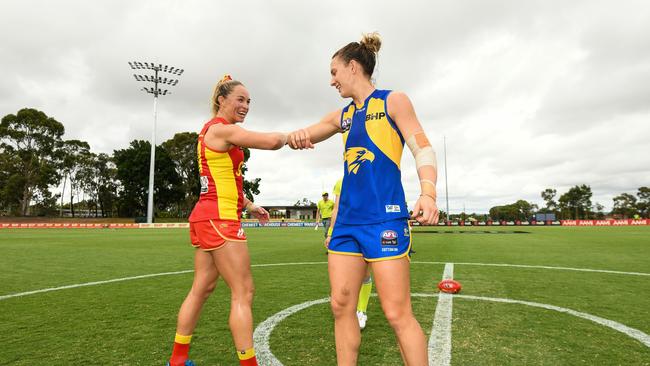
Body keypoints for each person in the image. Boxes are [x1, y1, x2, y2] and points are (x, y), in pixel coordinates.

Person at [288, 33, 439, 365]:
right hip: (346, 225)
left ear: (352, 67)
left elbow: (422, 147)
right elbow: (301, 133)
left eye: (334, 72)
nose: (331, 80)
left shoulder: (393, 101)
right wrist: (291, 137)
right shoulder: (341, 116)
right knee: (341, 305)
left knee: (397, 313)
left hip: (384, 220)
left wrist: (428, 192)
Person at [167, 75, 287, 366]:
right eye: (240, 99)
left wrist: (249, 205)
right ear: (222, 100)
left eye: (249, 101)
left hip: (207, 217)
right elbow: (269, 142)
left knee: (202, 289)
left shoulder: (212, 131)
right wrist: (295, 135)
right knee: (243, 292)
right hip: (219, 221)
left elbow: (221, 180)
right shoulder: (222, 130)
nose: (245, 106)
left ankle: (177, 360)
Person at [327, 178, 372, 330]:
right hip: (345, 230)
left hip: (369, 228)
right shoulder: (341, 182)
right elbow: (337, 208)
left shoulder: (371, 176)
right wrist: (330, 233)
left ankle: (361, 311)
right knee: (342, 272)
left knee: (365, 272)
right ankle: (343, 305)